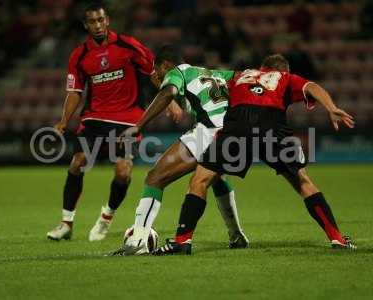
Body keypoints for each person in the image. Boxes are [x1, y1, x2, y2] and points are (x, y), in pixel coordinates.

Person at [154, 54, 356, 255]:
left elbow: (211, 89)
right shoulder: (286, 78)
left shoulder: (242, 75)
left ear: (261, 67)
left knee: (200, 180)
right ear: (284, 70)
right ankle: (337, 239)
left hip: (238, 124)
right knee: (303, 182)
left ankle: (182, 241)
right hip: (271, 124)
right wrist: (332, 107)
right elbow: (312, 86)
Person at [46, 2, 179, 241]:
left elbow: (154, 72)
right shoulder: (80, 55)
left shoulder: (128, 45)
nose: (97, 25)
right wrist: (65, 120)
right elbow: (75, 90)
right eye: (92, 22)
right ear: (85, 25)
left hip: (127, 118)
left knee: (123, 173)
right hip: (94, 119)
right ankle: (66, 223)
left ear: (107, 21)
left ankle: (106, 217)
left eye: (101, 20)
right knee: (78, 163)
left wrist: (169, 100)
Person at [111, 45, 248, 255]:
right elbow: (244, 77)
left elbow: (168, 92)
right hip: (234, 132)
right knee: (217, 178)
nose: (157, 77)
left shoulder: (178, 72)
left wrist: (139, 125)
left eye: (158, 72)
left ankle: (137, 240)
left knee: (155, 178)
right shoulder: (214, 73)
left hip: (209, 131)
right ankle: (237, 235)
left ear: (166, 65)